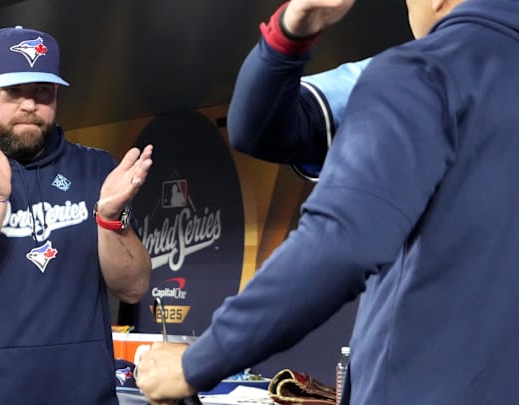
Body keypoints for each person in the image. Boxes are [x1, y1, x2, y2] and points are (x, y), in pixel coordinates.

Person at [136, 0, 519, 403]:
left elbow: (339, 244)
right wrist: (292, 30)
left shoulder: (424, 72)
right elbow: (258, 127)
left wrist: (196, 362)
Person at [0, 26, 153, 404]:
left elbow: (132, 287)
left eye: (42, 91)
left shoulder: (95, 168)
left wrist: (109, 216)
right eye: (12, 91)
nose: (29, 104)